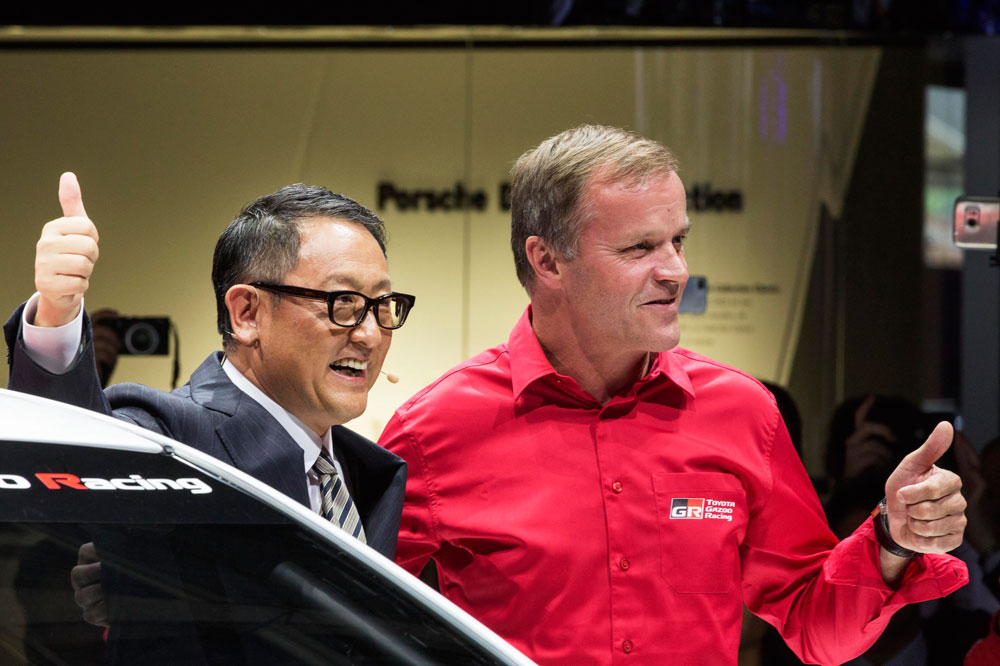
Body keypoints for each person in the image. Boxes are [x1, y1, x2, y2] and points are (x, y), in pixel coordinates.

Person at [379, 125, 970, 666]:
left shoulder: (741, 412)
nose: (676, 271)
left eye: (678, 241)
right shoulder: (434, 430)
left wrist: (891, 539)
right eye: (639, 248)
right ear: (547, 261)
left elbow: (817, 628)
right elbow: (353, 625)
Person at [4, 173, 414, 617]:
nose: (371, 335)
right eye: (343, 303)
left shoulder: (365, 472)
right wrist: (57, 316)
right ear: (247, 313)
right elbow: (67, 474)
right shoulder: (173, 438)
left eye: (382, 305)